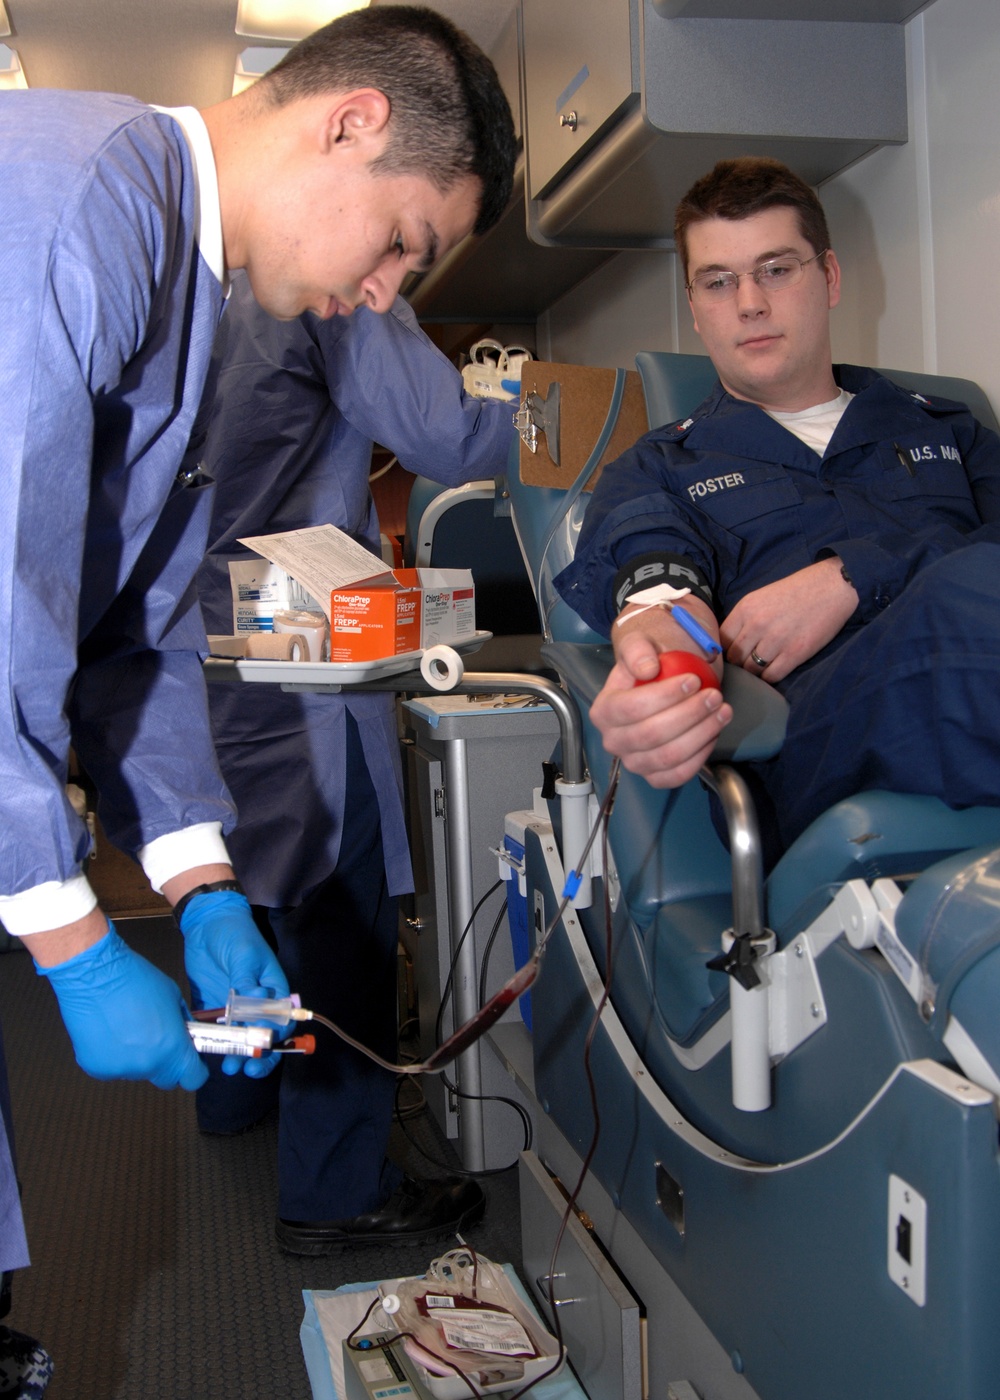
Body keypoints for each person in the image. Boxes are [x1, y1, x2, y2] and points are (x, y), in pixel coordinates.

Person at [0, 0, 515, 1342]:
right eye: (404, 242)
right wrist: (66, 935)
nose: (386, 292)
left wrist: (196, 876)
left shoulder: (193, 300)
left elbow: (144, 628)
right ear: (351, 123)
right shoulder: (81, 195)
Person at [191, 273, 516, 1253]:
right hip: (301, 641)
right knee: (341, 913)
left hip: (206, 640)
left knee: (245, 895)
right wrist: (547, 410)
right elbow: (450, 437)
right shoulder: (341, 284)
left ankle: (233, 1095)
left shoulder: (200, 282)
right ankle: (333, 1193)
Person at [555, 156, 1000, 857]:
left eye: (776, 269)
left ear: (828, 278)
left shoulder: (948, 431)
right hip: (818, 739)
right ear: (696, 311)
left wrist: (852, 577)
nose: (750, 302)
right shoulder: (659, 469)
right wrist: (659, 666)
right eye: (718, 282)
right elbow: (662, 592)